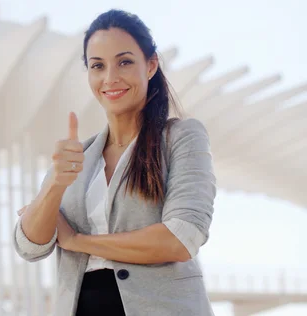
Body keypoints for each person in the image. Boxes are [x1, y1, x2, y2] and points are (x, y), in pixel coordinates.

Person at [13, 9, 217, 316]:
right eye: (98, 66)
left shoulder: (181, 137)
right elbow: (30, 247)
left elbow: (180, 238)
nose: (110, 78)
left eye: (124, 62)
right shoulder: (77, 156)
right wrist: (54, 186)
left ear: (150, 65)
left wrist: (79, 241)